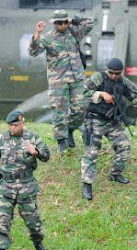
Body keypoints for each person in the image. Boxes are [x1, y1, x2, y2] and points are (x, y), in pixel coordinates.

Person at [81, 58, 137, 200]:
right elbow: (82, 93)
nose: (114, 76)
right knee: (91, 152)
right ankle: (87, 184)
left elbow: (136, 96)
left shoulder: (123, 82)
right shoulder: (98, 78)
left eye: (117, 73)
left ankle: (116, 173)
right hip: (95, 119)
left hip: (112, 121)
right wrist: (100, 94)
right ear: (107, 70)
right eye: (111, 73)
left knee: (124, 146)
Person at [28, 9, 94, 153]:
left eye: (65, 22)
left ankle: (69, 129)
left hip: (77, 79)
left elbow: (90, 23)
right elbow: (33, 52)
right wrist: (37, 33)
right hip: (58, 81)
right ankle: (62, 141)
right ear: (54, 23)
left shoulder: (74, 33)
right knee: (59, 112)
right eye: (59, 23)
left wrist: (74, 19)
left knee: (81, 108)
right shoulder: (47, 38)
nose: (63, 25)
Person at [0, 111, 50, 250]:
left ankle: (37, 242)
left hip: (26, 187)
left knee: (34, 224)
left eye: (15, 125)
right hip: (6, 188)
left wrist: (36, 152)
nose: (12, 128)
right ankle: (1, 247)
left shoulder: (32, 138)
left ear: (22, 123)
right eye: (10, 125)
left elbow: (46, 156)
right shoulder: (0, 139)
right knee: (2, 223)